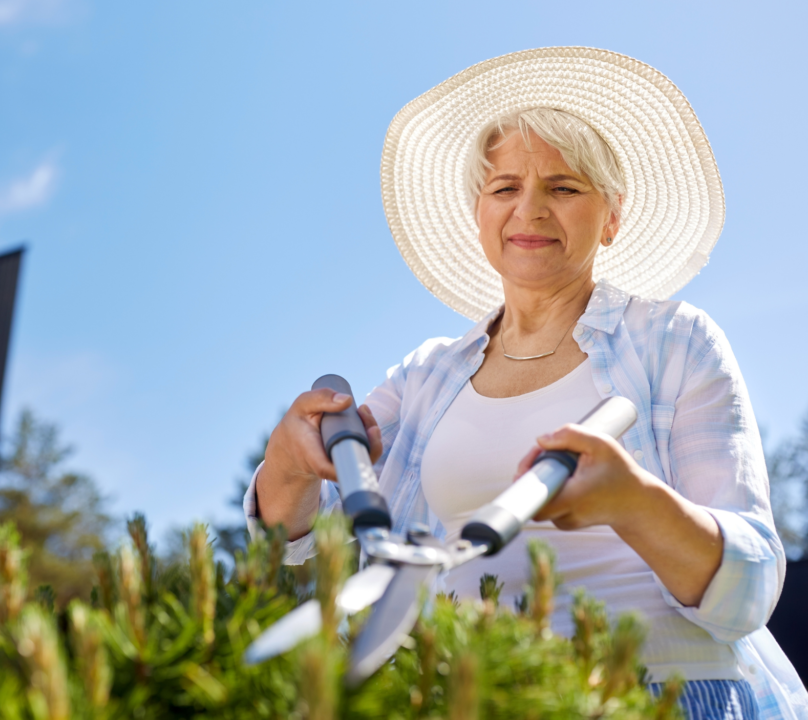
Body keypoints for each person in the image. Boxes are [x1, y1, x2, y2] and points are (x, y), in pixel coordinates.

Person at [244, 48, 808, 719]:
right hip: (465, 697)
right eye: (505, 188)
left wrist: (634, 503)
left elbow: (750, 590)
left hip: (657, 694)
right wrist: (287, 463)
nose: (530, 210)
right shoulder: (425, 376)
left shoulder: (676, 341)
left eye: (565, 188)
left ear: (612, 216)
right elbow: (295, 548)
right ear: (479, 214)